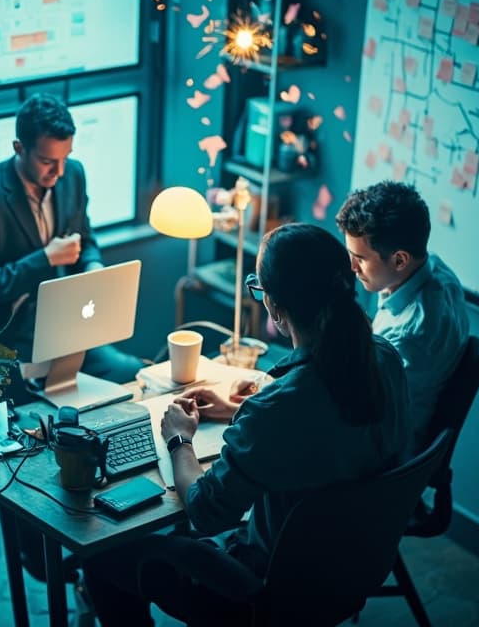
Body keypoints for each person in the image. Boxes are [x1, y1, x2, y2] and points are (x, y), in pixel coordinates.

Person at [82, 223, 410, 626]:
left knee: (101, 554)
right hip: (347, 570)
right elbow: (320, 423)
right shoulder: (386, 361)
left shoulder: (277, 411)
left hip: (262, 594)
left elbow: (205, 511)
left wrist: (179, 440)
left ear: (272, 306)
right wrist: (245, 408)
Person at [0, 93, 141, 391]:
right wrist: (45, 259)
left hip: (70, 326)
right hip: (9, 340)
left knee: (132, 373)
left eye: (65, 158)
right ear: (19, 148)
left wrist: (92, 266)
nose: (59, 171)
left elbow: (85, 237)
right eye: (47, 161)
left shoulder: (73, 174)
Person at [336, 180, 468, 447]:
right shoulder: (438, 272)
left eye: (359, 258)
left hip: (385, 450)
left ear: (399, 260)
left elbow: (362, 408)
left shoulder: (408, 335)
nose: (352, 267)